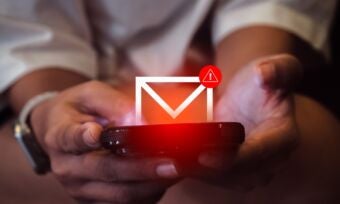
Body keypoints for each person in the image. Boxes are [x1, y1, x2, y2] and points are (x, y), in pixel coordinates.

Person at [0, 0, 339, 203]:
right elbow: (25, 33)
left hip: (218, 73)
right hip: (42, 103)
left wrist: (249, 81)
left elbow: (265, 8)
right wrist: (49, 109)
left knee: (315, 151)